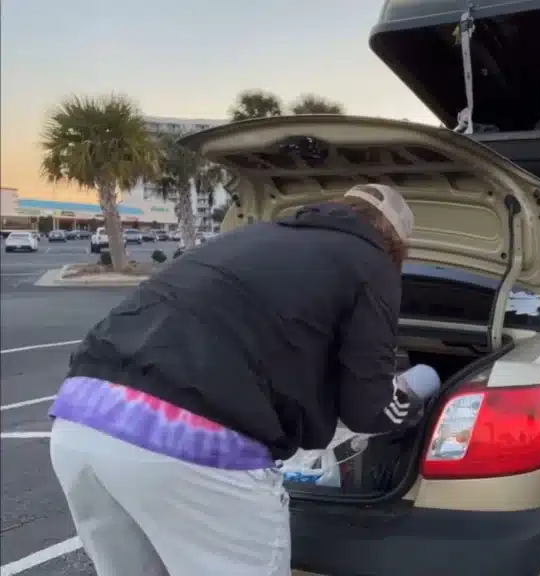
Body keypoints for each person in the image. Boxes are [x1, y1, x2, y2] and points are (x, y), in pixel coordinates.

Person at [48, 184, 425, 575]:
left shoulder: (253, 235)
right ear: (395, 243)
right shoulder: (372, 262)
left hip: (81, 419)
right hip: (190, 445)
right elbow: (369, 409)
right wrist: (412, 401)